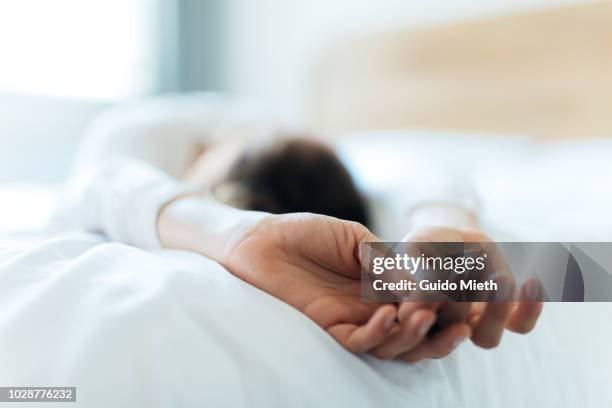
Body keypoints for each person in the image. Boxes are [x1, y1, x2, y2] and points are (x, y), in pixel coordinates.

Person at [57, 94, 542, 362]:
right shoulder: (137, 133)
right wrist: (230, 231)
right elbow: (97, 184)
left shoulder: (306, 154)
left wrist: (443, 221)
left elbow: (419, 172)